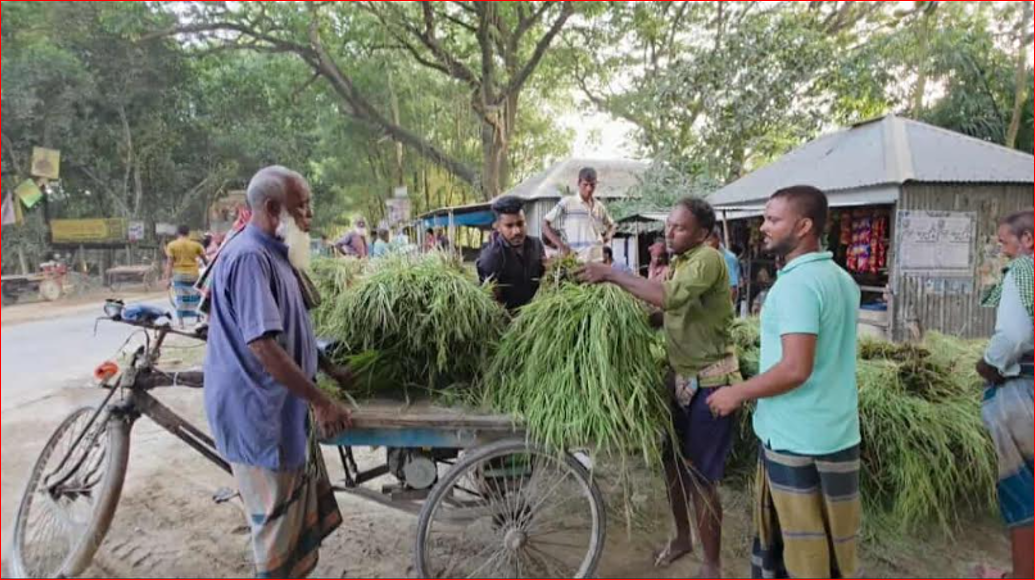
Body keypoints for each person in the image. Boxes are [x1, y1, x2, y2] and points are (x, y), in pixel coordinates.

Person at [204, 166, 353, 579]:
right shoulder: (251, 258)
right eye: (301, 207)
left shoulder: (280, 252)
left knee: (292, 533)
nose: (309, 216)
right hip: (259, 414)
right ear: (272, 208)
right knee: (275, 537)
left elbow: (295, 328)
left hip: (284, 409)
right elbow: (265, 347)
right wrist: (321, 401)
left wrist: (331, 370)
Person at [578, 197, 739, 577]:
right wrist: (614, 319)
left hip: (711, 385)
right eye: (668, 225)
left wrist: (612, 273)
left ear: (702, 233)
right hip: (680, 380)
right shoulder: (680, 263)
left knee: (701, 480)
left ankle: (712, 565)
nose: (669, 232)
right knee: (673, 468)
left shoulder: (708, 260)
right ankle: (683, 537)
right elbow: (662, 311)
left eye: (679, 227)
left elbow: (668, 297)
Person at [707, 185, 861, 580]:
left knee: (801, 558)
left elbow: (795, 368)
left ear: (805, 225)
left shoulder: (797, 285)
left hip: (797, 441)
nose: (763, 227)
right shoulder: (840, 279)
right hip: (837, 435)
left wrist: (735, 393)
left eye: (773, 219)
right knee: (831, 553)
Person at [974, 210, 1034, 579]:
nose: (1001, 248)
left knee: (1021, 492)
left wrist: (988, 365)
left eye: (1004, 241)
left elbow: (1013, 337)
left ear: (1028, 239)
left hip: (1022, 393)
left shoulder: (1024, 271)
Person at [476, 196, 547, 312]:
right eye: (509, 226)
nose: (517, 231)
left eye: (520, 224)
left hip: (536, 315)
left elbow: (543, 276)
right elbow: (488, 299)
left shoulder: (536, 245)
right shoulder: (491, 257)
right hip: (508, 322)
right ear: (498, 227)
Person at [543, 167, 616, 262]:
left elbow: (613, 226)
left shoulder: (599, 206)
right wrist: (562, 246)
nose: (589, 189)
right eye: (585, 185)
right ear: (578, 183)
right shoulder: (567, 202)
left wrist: (607, 237)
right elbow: (544, 224)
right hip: (576, 261)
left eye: (592, 185)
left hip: (598, 261)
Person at [164, 225, 208, 328]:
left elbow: (169, 263)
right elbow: (206, 261)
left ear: (178, 233)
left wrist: (167, 279)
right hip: (194, 275)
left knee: (180, 298)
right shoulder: (196, 245)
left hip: (179, 275)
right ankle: (198, 320)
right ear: (188, 233)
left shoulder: (172, 245)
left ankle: (181, 323)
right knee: (195, 298)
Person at [708, 228, 740, 304]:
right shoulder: (708, 255)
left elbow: (733, 288)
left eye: (709, 240)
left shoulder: (728, 258)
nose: (705, 244)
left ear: (717, 240)